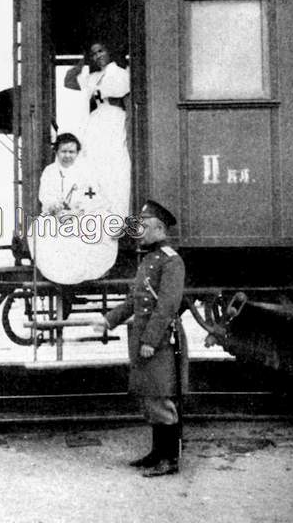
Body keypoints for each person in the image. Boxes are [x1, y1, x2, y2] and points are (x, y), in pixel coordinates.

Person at [94, 200, 187, 477]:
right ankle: (157, 453)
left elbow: (167, 306)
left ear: (159, 228)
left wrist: (150, 340)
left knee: (161, 399)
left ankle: (169, 459)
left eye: (144, 226)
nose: (139, 231)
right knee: (149, 397)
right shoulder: (148, 259)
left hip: (157, 342)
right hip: (144, 341)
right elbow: (135, 301)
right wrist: (108, 320)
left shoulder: (171, 260)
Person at [33, 132, 118, 285]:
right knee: (43, 229)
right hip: (57, 216)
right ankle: (59, 273)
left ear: (78, 153)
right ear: (56, 152)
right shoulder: (50, 171)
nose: (67, 156)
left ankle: (86, 272)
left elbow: (95, 197)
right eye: (63, 151)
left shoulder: (86, 172)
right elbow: (46, 195)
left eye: (71, 152)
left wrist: (78, 211)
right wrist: (56, 208)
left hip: (82, 214)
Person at [64, 41, 131, 218]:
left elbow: (127, 101)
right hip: (97, 120)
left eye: (101, 51)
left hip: (114, 118)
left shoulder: (121, 73)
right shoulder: (93, 77)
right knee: (94, 164)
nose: (98, 56)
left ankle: (117, 213)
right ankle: (98, 211)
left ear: (109, 51)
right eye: (93, 54)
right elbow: (69, 80)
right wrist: (82, 61)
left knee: (116, 165)